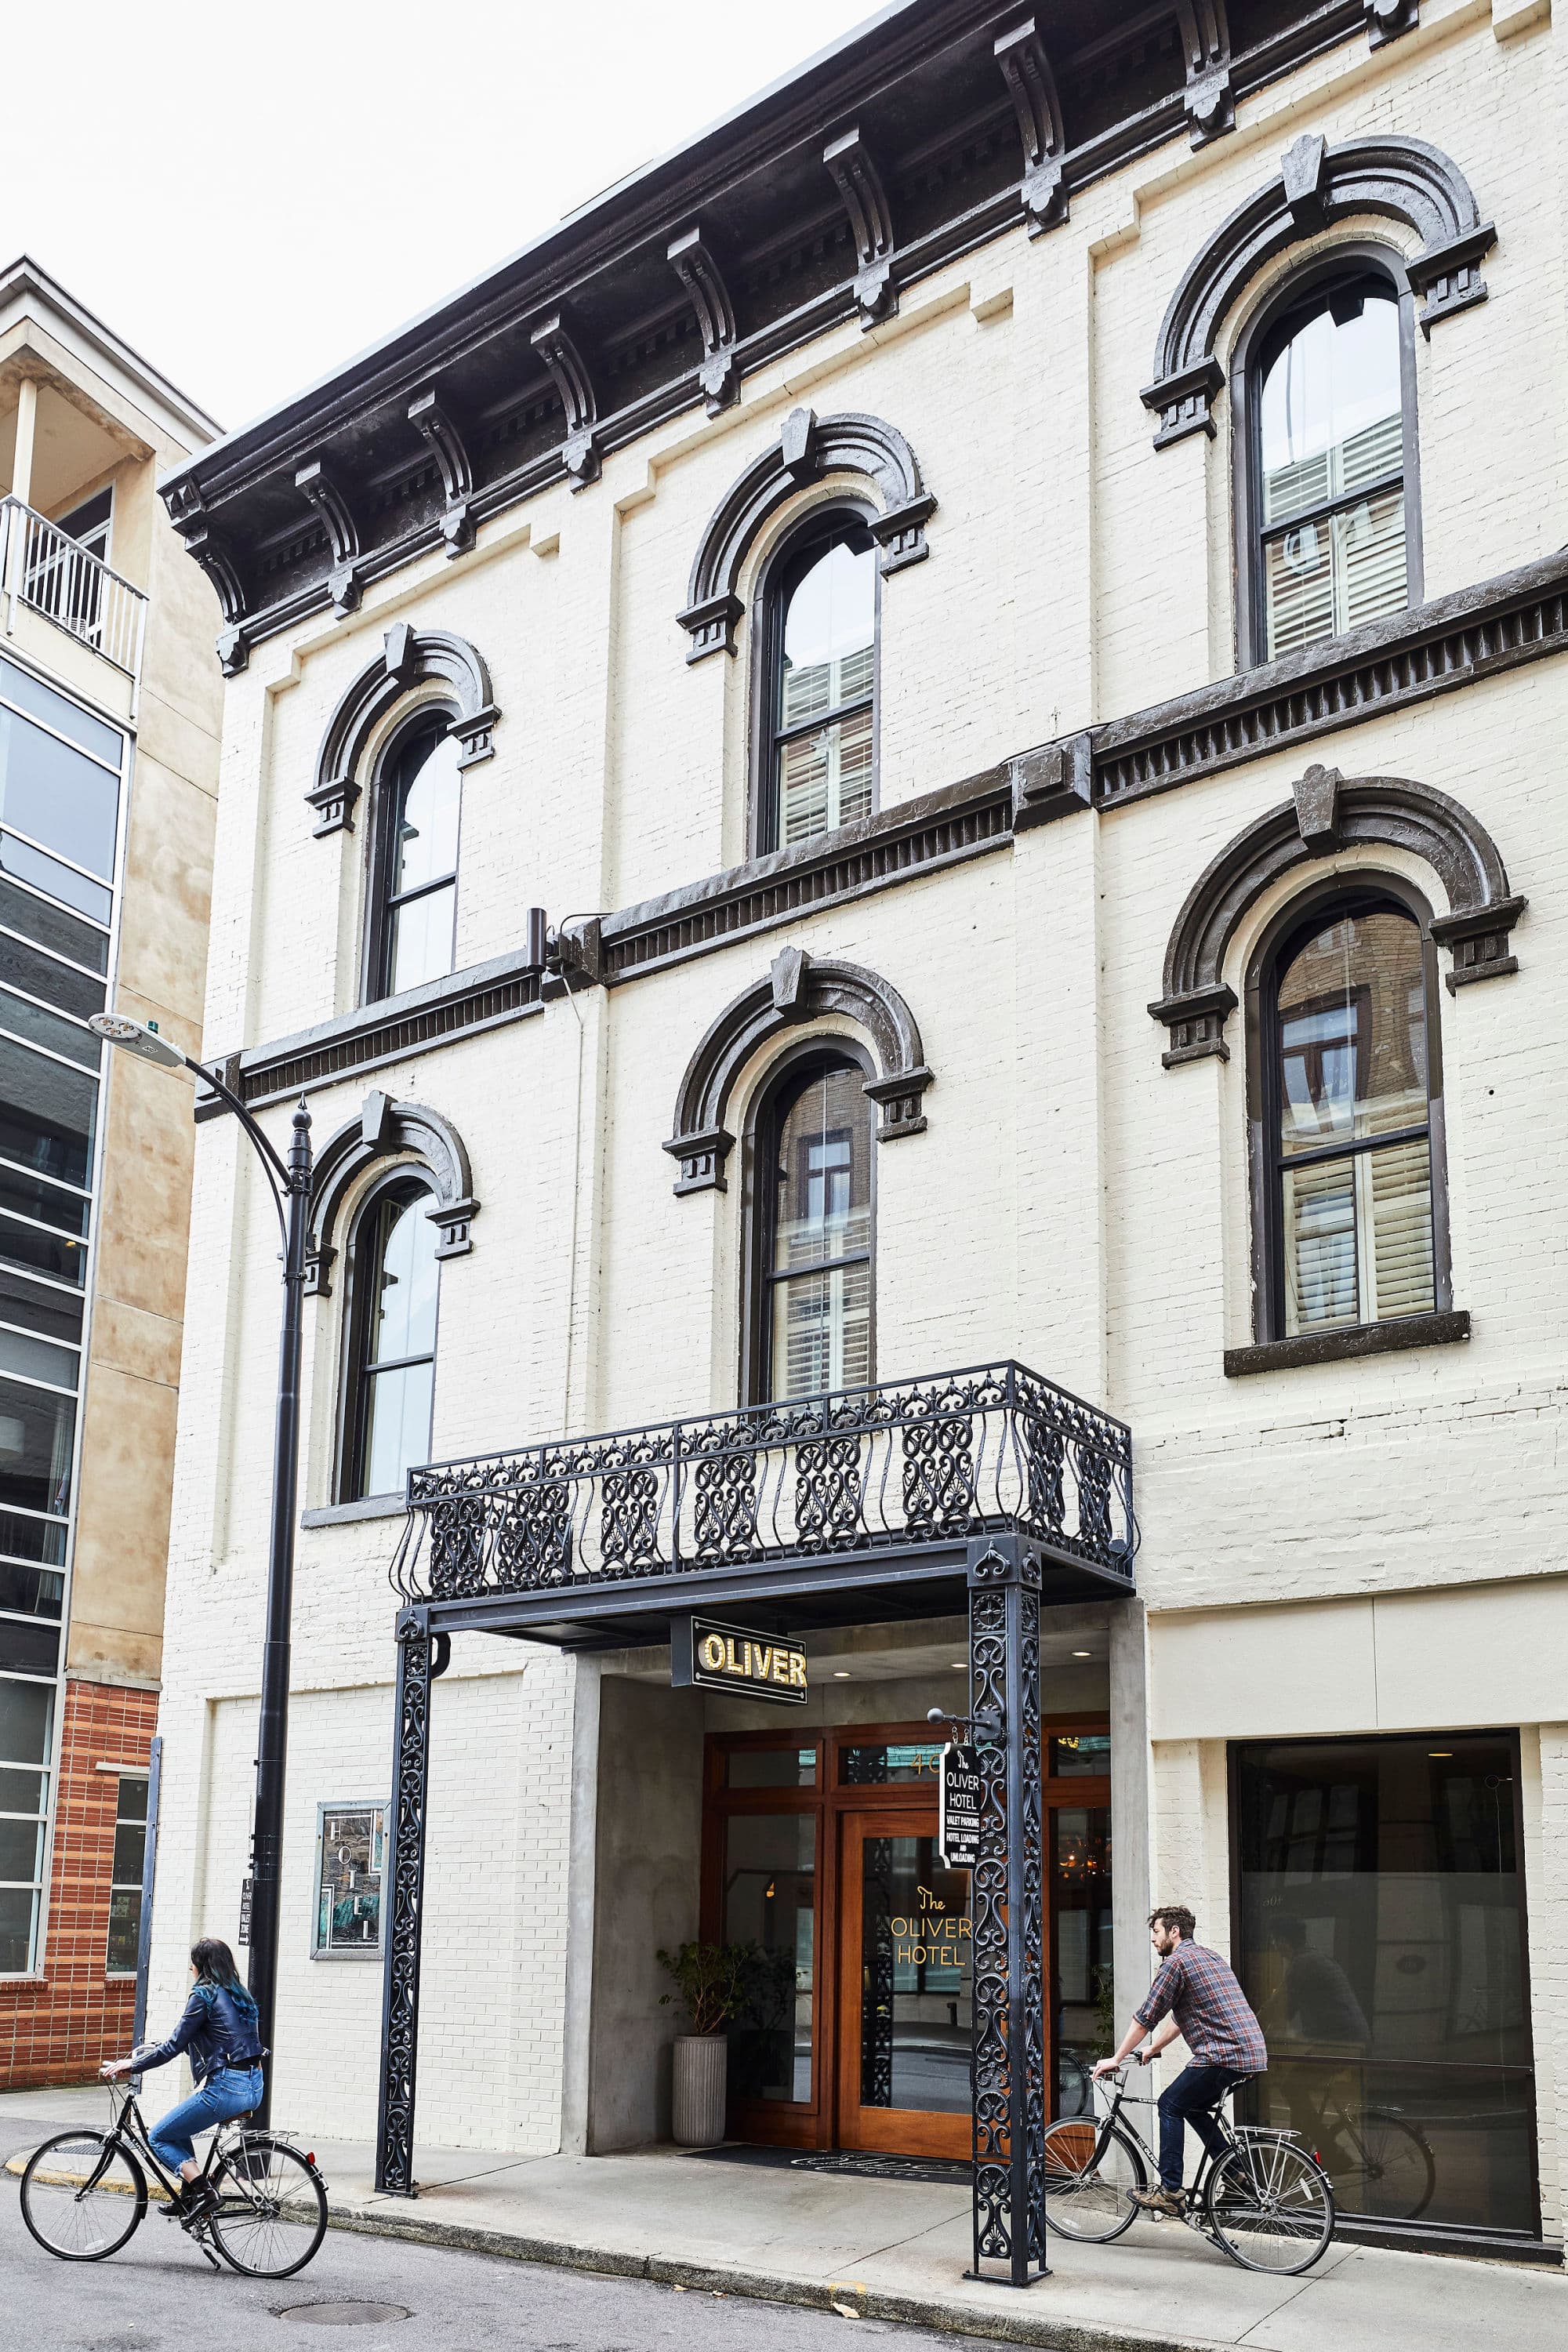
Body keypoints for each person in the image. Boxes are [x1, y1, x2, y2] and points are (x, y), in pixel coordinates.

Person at [1094, 1904, 1267, 2216]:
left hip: (1222, 2054)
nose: (1153, 1940)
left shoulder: (1175, 1964)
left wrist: (1116, 2059)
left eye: (1156, 1932)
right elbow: (1179, 2017)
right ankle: (1237, 2176)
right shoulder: (1209, 1957)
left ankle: (1171, 2192)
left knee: (1169, 2104)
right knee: (1196, 2107)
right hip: (1251, 2053)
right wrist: (1151, 2049)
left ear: (1175, 1932)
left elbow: (1146, 2017)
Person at [101, 1938, 267, 2221]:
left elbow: (174, 2046)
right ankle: (189, 2197)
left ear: (201, 1966)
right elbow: (214, 2037)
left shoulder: (204, 1994)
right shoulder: (240, 1995)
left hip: (227, 2087)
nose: (190, 1967)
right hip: (254, 2085)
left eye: (192, 1961)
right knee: (181, 2127)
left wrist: (132, 2065)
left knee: (159, 2136)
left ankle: (205, 2192)